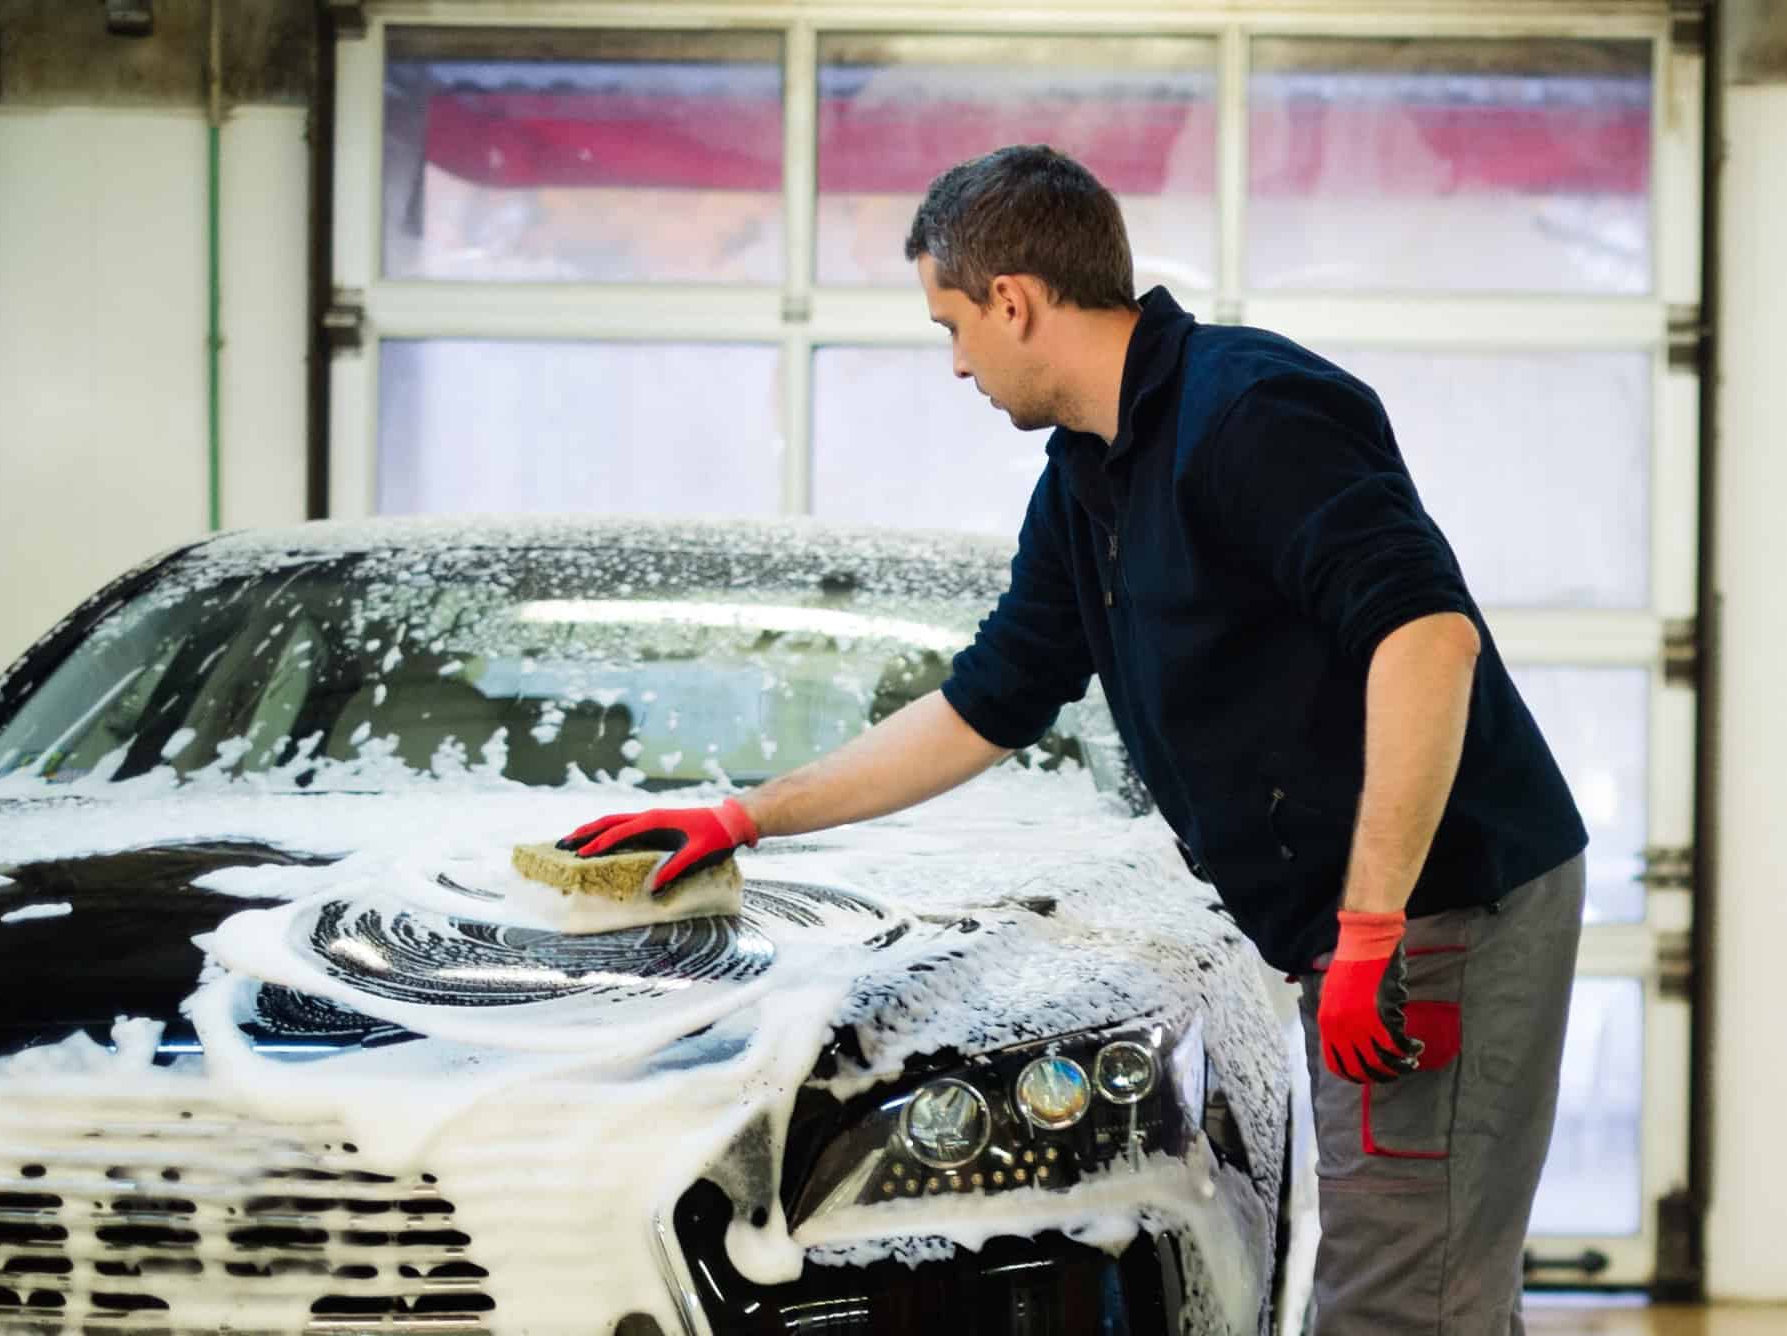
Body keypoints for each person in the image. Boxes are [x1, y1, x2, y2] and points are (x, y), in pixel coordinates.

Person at [561, 144, 1588, 1335]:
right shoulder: (1086, 479)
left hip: (1441, 910)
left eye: (950, 323)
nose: (954, 362)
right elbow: (983, 705)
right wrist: (744, 815)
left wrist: (1369, 930)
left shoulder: (1250, 411)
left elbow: (1424, 640)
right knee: (1433, 1269)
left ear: (1014, 300)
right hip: (1370, 921)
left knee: (1399, 1298)